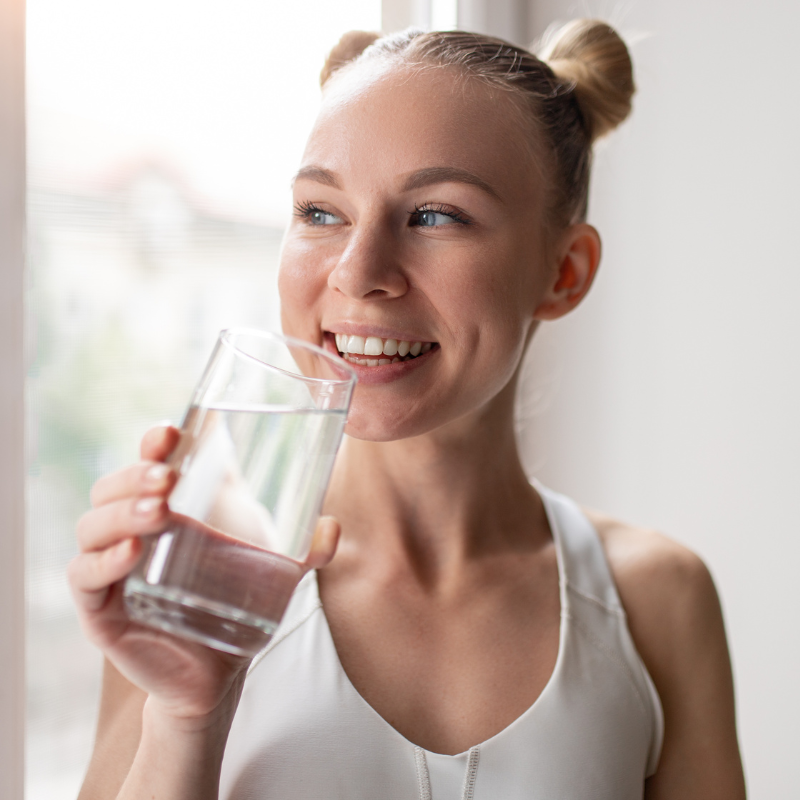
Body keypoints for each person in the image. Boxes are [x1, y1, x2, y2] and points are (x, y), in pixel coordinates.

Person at [69, 20, 746, 800]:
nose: (359, 273)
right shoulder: (197, 572)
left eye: (435, 215)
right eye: (321, 212)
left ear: (563, 271)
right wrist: (187, 717)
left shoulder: (655, 599)